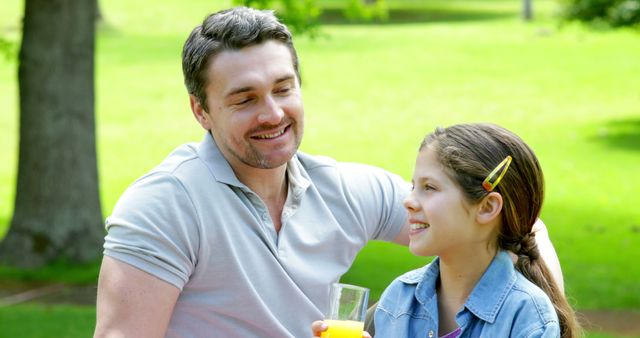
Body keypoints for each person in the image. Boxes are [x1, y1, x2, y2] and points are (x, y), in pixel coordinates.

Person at [94, 7, 563, 338]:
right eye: (245, 99)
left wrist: (534, 315)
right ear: (201, 111)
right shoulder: (165, 205)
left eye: (284, 88)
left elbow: (513, 223)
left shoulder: (344, 190)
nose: (273, 113)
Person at [315, 123, 581, 338]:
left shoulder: (525, 316)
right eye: (413, 186)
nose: (408, 201)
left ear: (487, 207)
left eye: (429, 187)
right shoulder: (398, 299)